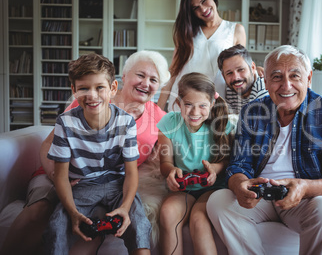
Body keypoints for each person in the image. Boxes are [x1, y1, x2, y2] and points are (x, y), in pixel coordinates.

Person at [0, 50, 170, 255]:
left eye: (154, 79)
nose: (146, 83)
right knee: (40, 211)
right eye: (141, 75)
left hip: (104, 183)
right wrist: (56, 177)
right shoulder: (88, 104)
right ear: (123, 77)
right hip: (57, 172)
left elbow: (161, 159)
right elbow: (48, 146)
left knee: (94, 225)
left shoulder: (161, 119)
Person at [206, 45, 322, 255]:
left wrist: (305, 187)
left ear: (308, 78)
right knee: (218, 201)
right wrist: (240, 184)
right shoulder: (252, 112)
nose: (286, 86)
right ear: (265, 80)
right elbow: (238, 164)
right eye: (277, 77)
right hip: (259, 197)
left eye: (295, 75)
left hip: (305, 199)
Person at [43, 53, 151, 254]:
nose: (91, 95)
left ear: (112, 89)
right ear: (74, 90)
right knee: (57, 224)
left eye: (99, 87)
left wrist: (126, 207)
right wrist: (73, 212)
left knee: (139, 223)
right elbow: (61, 175)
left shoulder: (125, 122)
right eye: (83, 88)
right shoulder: (65, 123)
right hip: (82, 185)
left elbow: (131, 173)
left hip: (117, 185)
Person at [157, 73, 235, 255]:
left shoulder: (222, 124)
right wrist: (171, 171)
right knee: (168, 212)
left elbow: (227, 160)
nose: (195, 112)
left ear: (212, 105)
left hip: (213, 188)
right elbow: (165, 163)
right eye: (188, 105)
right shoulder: (168, 123)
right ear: (178, 103)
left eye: (202, 106)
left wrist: (215, 169)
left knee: (199, 220)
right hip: (184, 189)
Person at [157, 0, 247, 112]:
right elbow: (173, 71)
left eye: (204, 1)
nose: (203, 9)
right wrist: (158, 110)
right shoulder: (186, 32)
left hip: (215, 99)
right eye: (195, 7)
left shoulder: (236, 30)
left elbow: (242, 68)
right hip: (184, 98)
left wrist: (256, 69)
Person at [217, 44, 269, 114]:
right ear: (223, 76)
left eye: (241, 69)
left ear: (253, 68)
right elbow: (232, 121)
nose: (236, 78)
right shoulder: (230, 89)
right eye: (229, 73)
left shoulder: (263, 88)